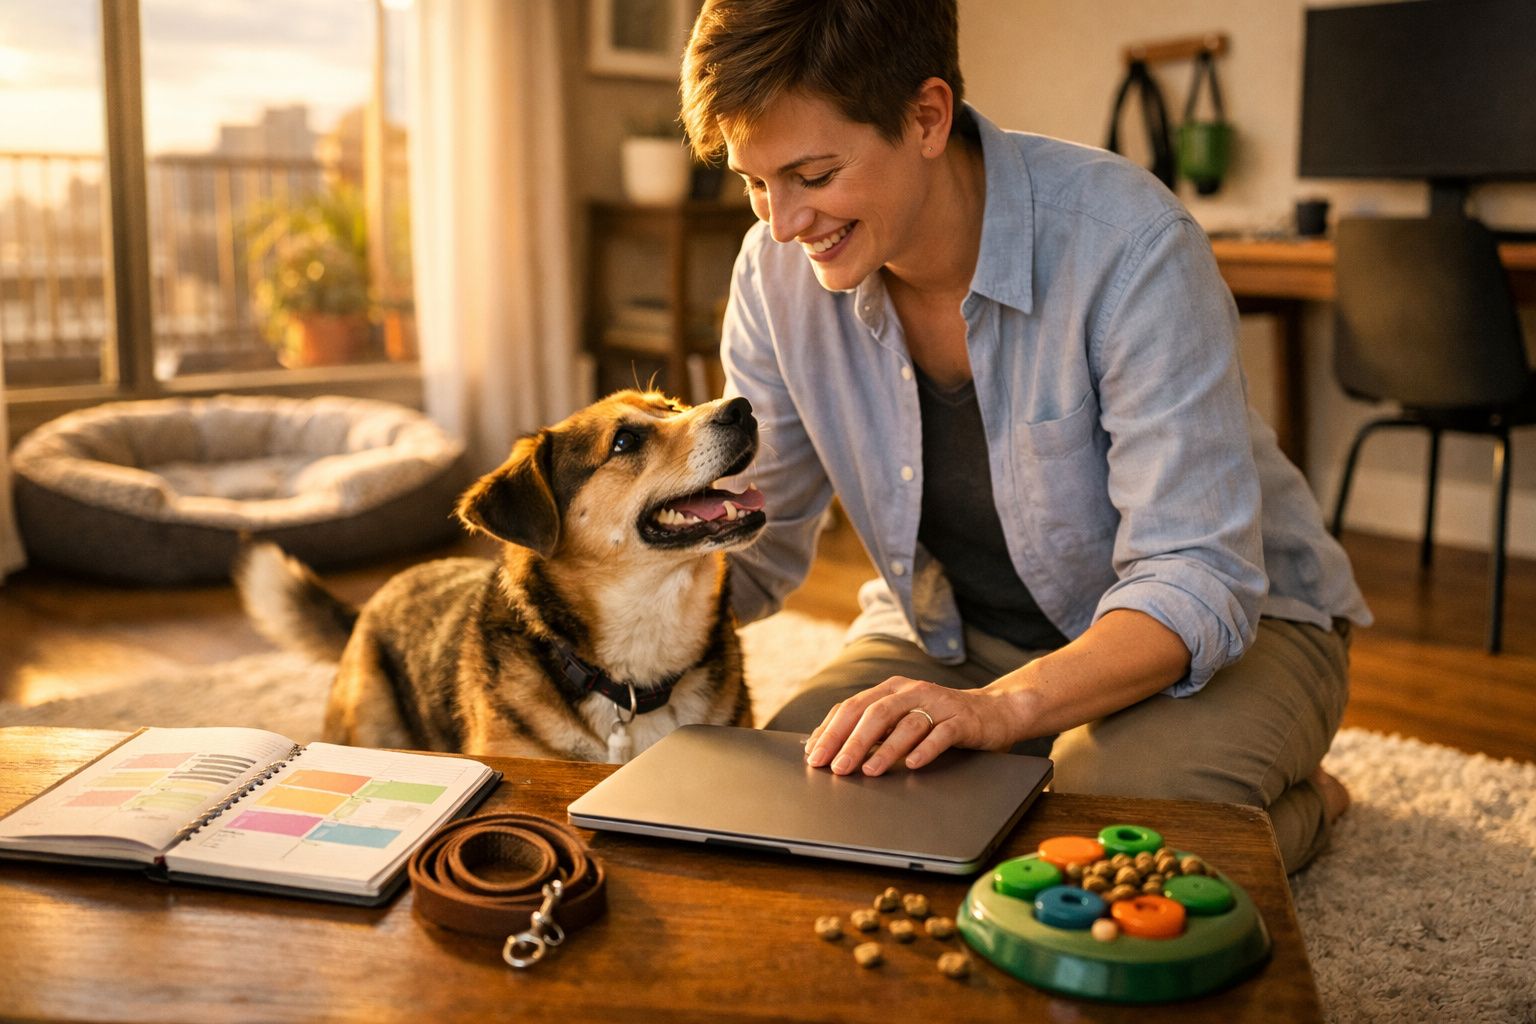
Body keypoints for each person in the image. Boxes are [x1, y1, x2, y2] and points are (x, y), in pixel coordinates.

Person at [681, 0, 1370, 873]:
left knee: (1086, 847)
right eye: (754, 181)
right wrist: (591, 615)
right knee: (788, 805)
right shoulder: (773, 273)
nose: (781, 223)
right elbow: (759, 531)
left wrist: (1003, 714)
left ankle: (1302, 808)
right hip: (950, 631)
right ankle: (1051, 761)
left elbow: (1198, 574)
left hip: (1242, 627)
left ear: (927, 116)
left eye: (813, 176)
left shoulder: (1129, 243)